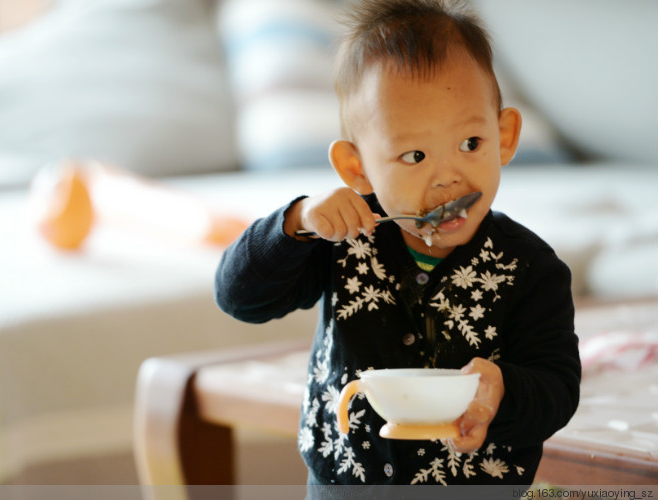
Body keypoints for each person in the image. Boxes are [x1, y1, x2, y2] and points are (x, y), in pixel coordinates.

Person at [214, 0, 580, 488]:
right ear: (356, 168)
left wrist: (504, 391)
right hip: (344, 485)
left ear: (505, 135)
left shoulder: (530, 267)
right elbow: (240, 298)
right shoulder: (341, 239)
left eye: (471, 143)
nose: (448, 177)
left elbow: (558, 386)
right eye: (414, 155)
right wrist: (296, 221)